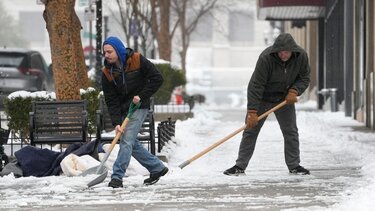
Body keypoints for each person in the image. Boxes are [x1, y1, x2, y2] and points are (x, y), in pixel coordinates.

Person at [224, 33, 311, 176]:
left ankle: (294, 165)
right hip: (263, 98)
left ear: (292, 50)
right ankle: (240, 166)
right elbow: (256, 85)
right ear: (276, 50)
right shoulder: (266, 58)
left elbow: (305, 77)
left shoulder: (301, 56)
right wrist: (252, 111)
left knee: (291, 132)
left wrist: (295, 91)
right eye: (281, 52)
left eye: (287, 52)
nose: (284, 55)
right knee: (250, 131)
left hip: (284, 99)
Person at [102, 36, 168, 188]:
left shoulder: (138, 60)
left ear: (118, 50)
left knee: (126, 141)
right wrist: (116, 122)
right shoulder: (107, 72)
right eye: (105, 52)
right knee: (130, 141)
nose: (107, 55)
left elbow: (157, 78)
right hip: (125, 110)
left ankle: (117, 178)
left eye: (110, 52)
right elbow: (111, 100)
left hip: (139, 107)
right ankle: (157, 168)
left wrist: (142, 95)